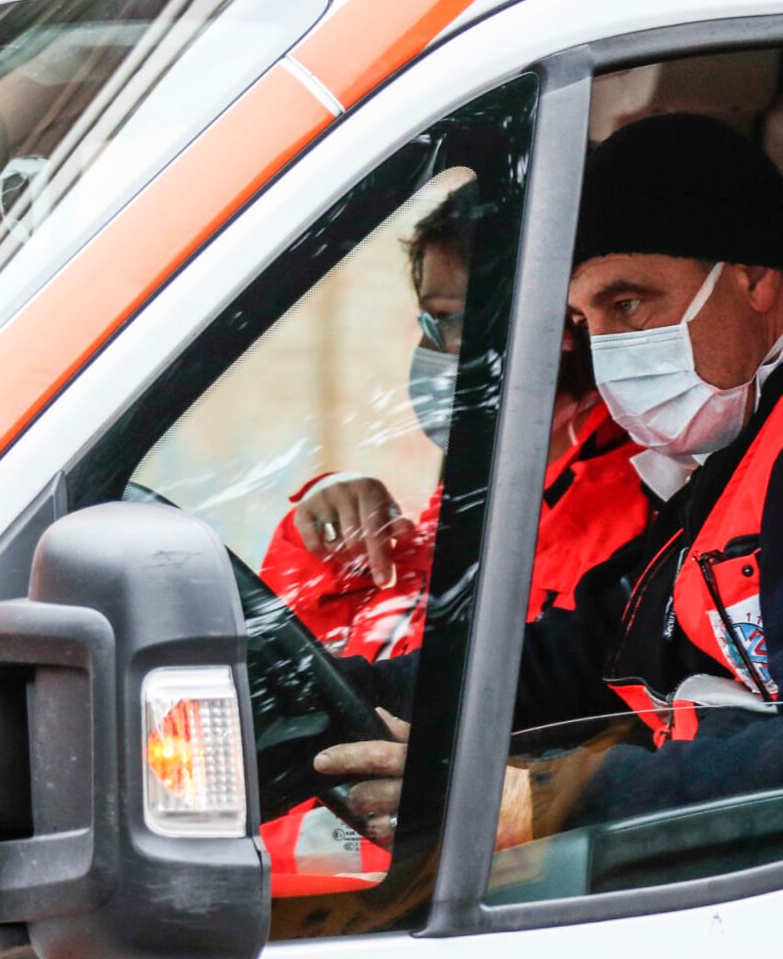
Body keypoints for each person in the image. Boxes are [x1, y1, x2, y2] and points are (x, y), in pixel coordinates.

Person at [315, 112, 783, 853]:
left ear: (753, 275)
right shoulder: (760, 417)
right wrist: (346, 698)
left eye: (629, 304)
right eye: (585, 317)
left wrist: (546, 800)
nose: (606, 349)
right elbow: (593, 646)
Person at [257, 189, 654, 891]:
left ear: (553, 329)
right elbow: (369, 658)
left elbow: (465, 687)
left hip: (411, 883)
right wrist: (322, 541)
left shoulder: (611, 513)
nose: (427, 351)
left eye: (445, 323)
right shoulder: (497, 477)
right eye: (427, 322)